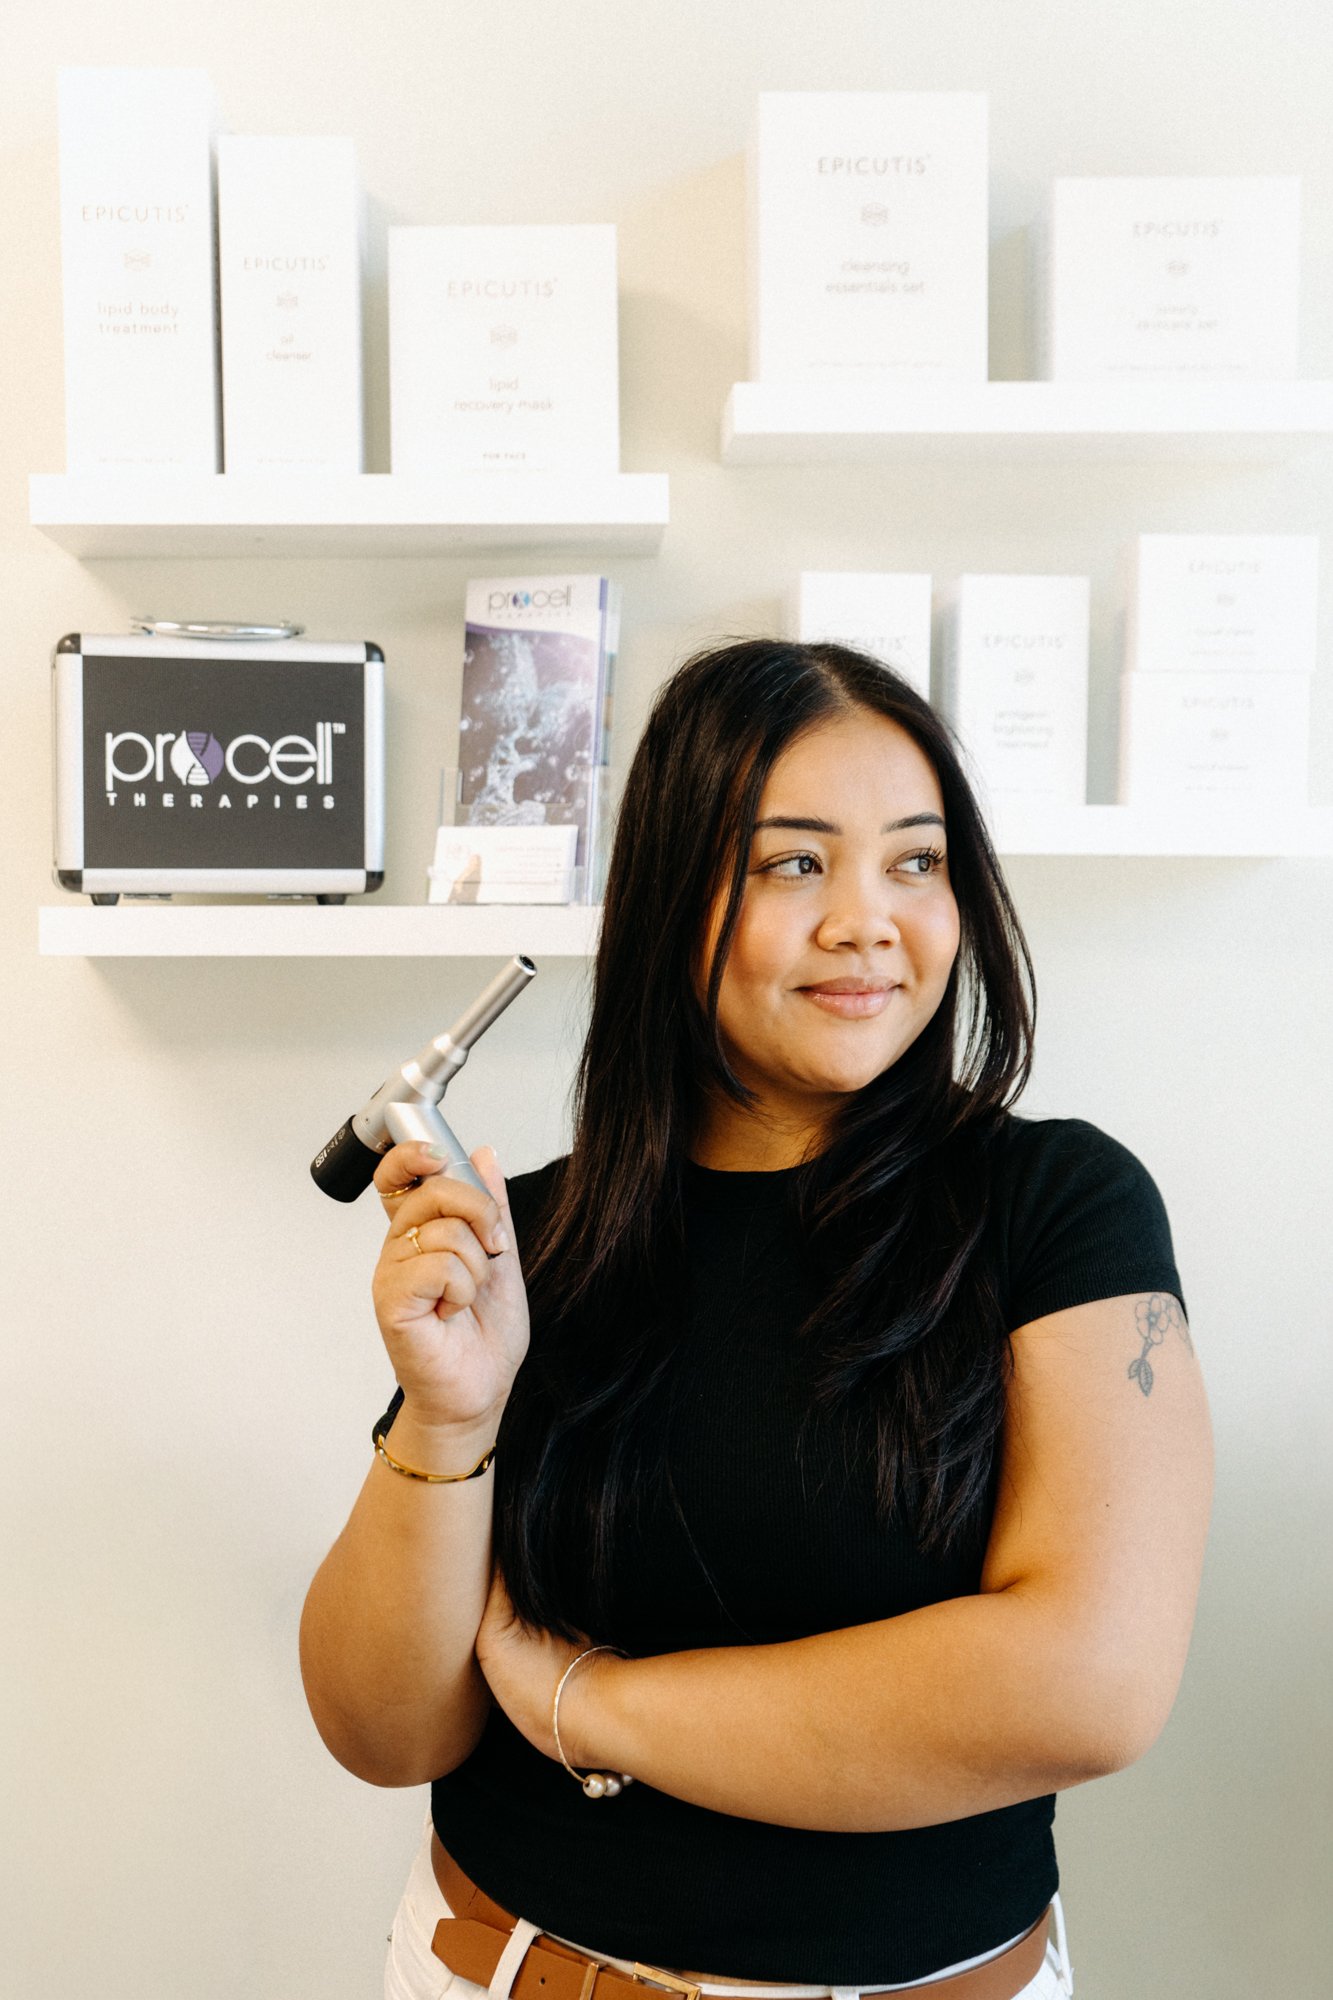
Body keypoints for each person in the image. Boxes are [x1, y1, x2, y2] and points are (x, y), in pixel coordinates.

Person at [299, 640, 1214, 2000]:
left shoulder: (1058, 1207)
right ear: (675, 899)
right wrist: (449, 1414)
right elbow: (383, 1732)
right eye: (794, 863)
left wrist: (584, 1704)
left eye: (916, 862)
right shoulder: (535, 1237)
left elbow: (1088, 1684)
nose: (867, 921)